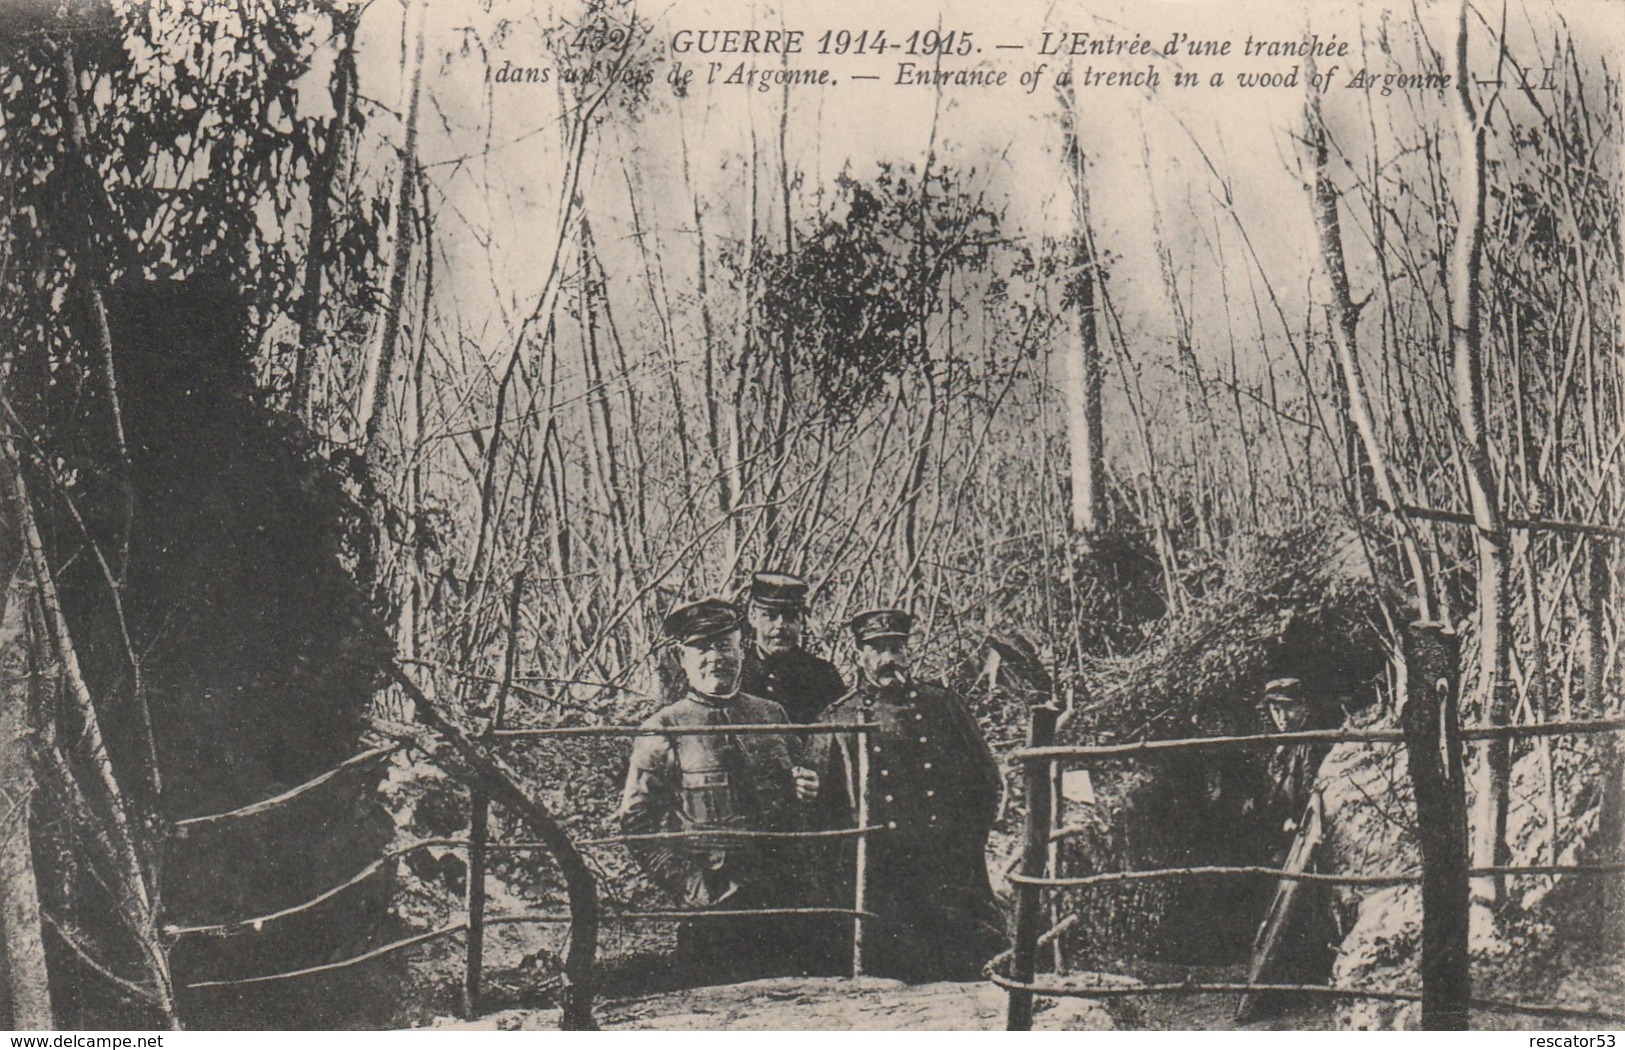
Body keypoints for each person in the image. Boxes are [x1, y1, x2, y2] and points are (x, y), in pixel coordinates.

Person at [618, 597, 819, 979]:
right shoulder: (664, 728)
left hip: (786, 905)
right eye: (701, 648)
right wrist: (691, 888)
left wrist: (805, 787)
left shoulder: (771, 715)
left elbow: (797, 797)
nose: (716, 658)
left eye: (725, 645)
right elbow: (635, 824)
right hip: (714, 917)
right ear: (682, 658)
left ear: (741, 649)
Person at [808, 609, 1005, 982]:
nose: (888, 659)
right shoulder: (837, 719)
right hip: (880, 877)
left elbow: (986, 783)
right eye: (876, 649)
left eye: (896, 648)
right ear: (857, 654)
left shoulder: (944, 706)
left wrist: (966, 845)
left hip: (947, 867)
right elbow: (821, 813)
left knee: (965, 970)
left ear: (908, 651)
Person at [738, 571, 849, 725]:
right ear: (752, 616)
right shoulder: (737, 672)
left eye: (790, 617)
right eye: (770, 616)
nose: (781, 626)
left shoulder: (823, 675)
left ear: (801, 620)